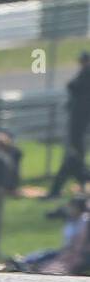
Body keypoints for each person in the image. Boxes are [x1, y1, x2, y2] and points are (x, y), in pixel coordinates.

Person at [48, 51, 90, 198]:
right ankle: (81, 183)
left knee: (75, 155)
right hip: (79, 118)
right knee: (76, 156)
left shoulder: (87, 73)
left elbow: (74, 86)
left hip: (81, 118)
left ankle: (80, 181)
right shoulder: (84, 72)